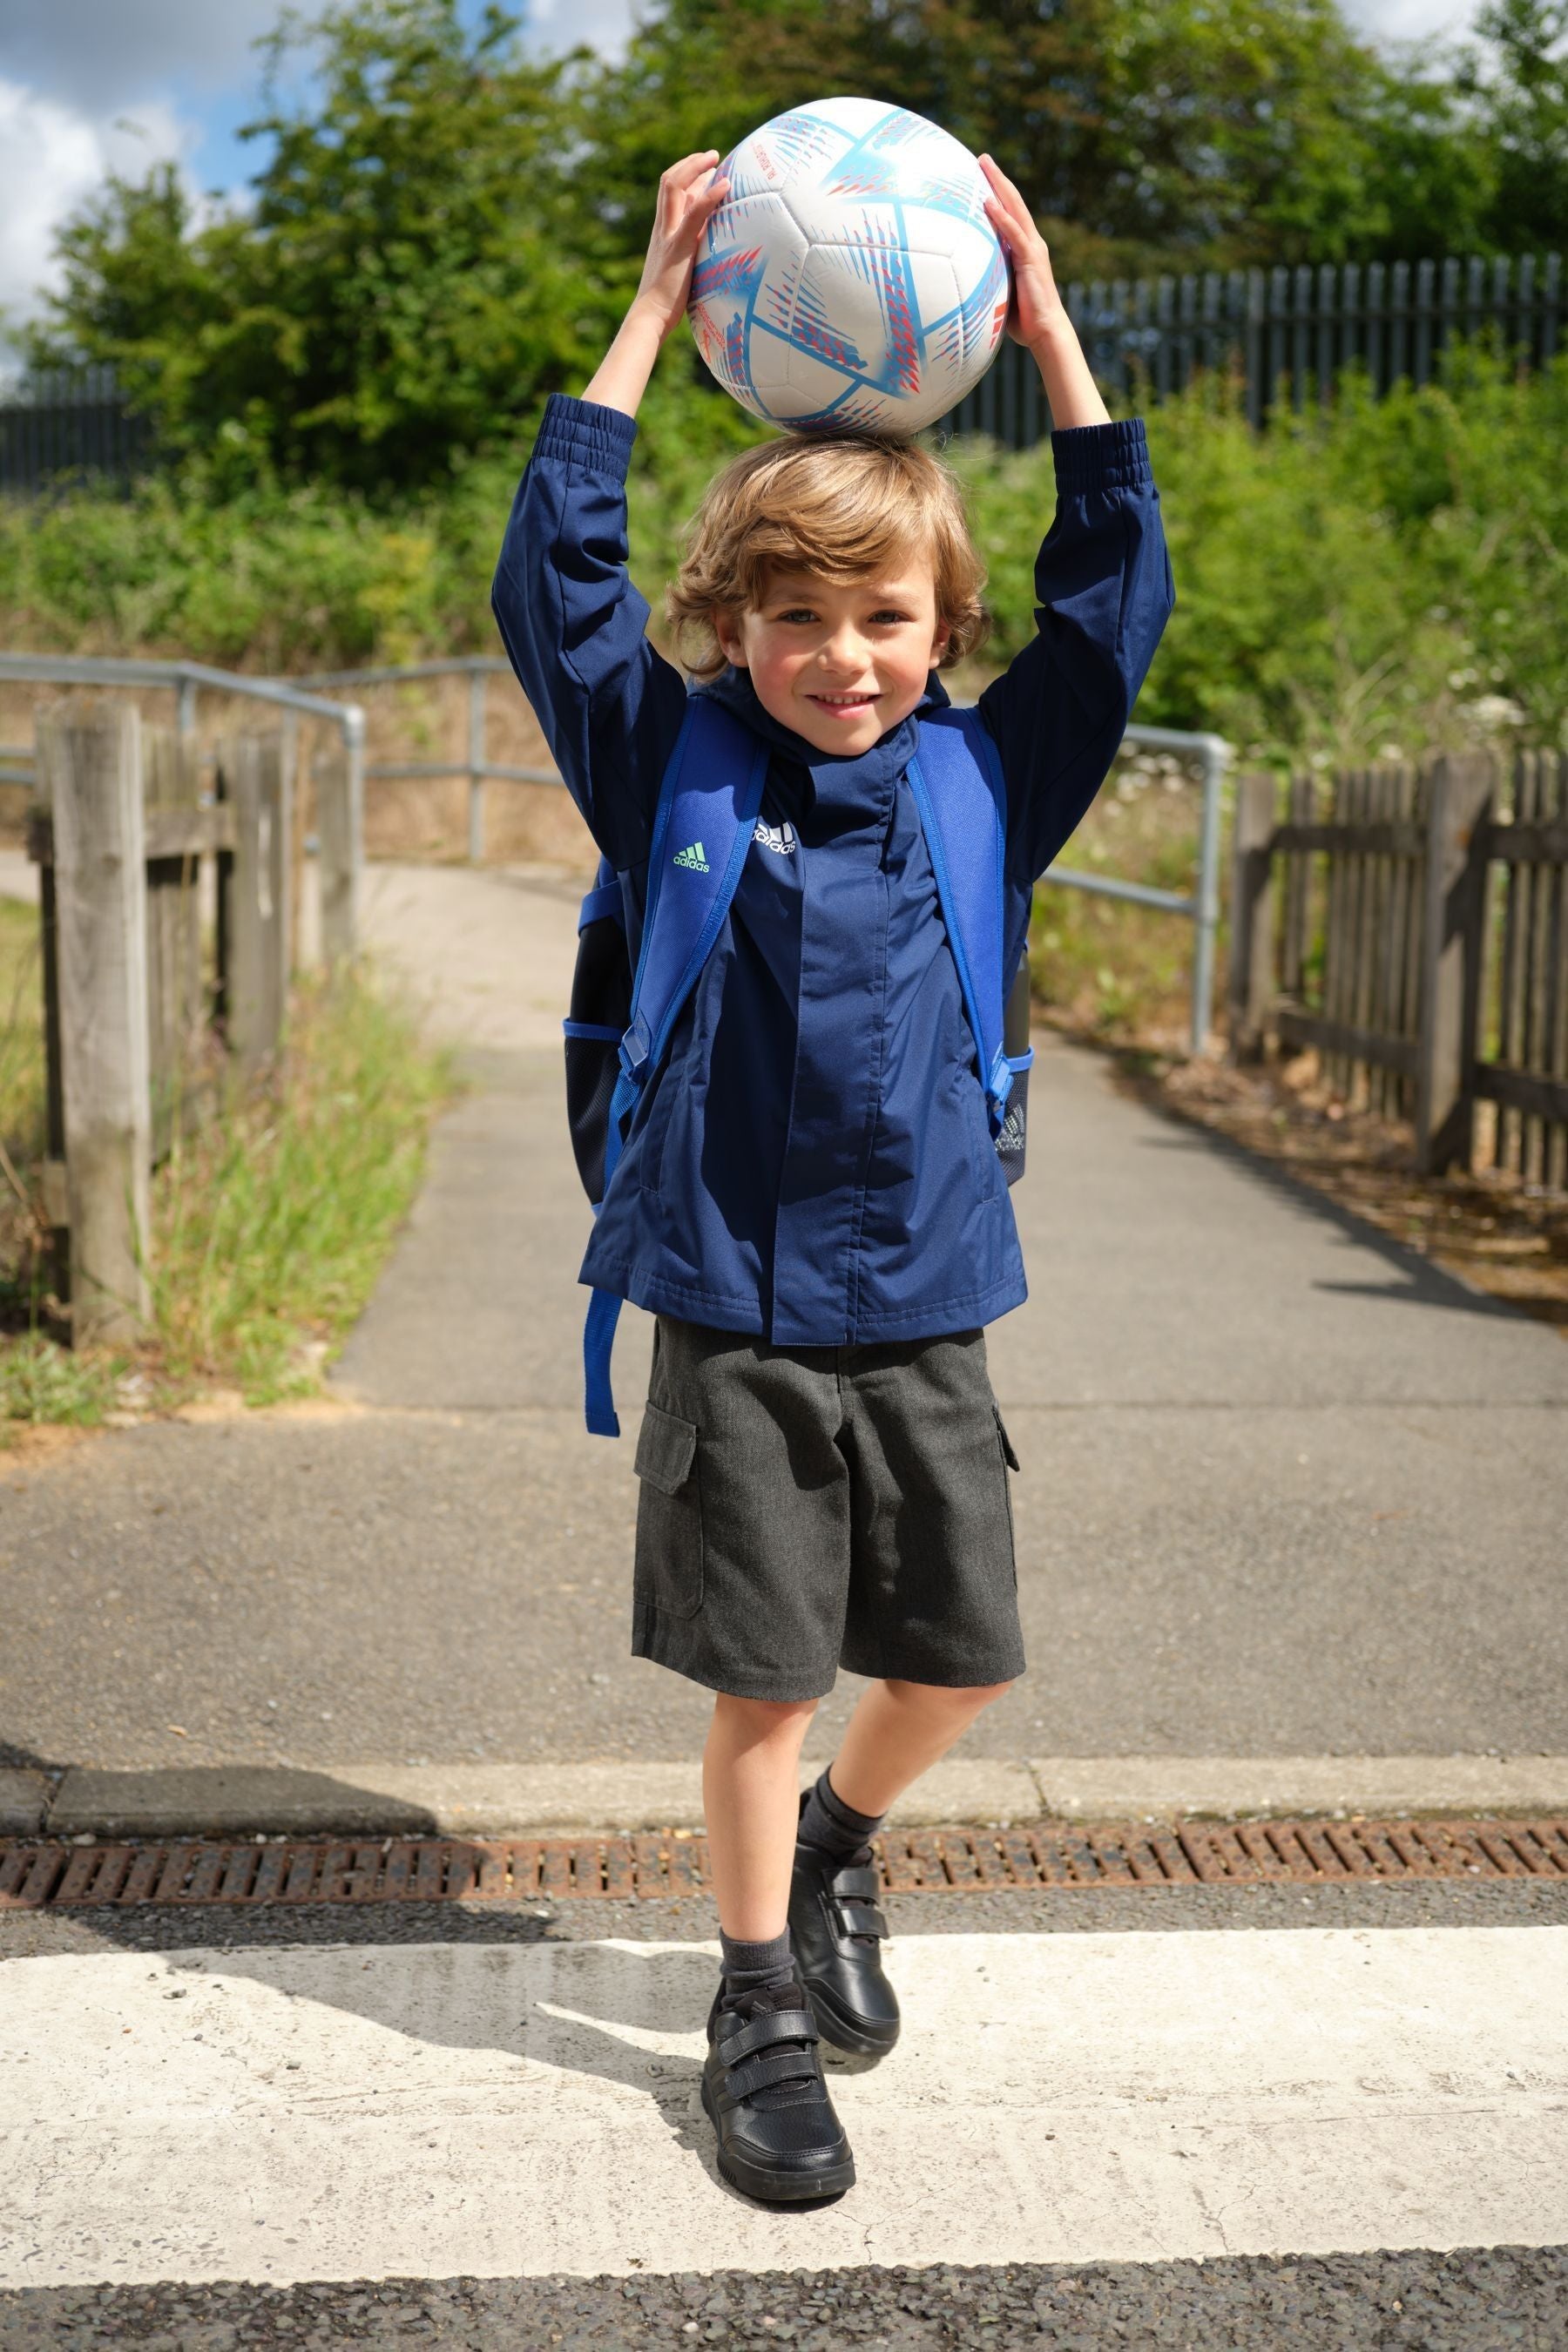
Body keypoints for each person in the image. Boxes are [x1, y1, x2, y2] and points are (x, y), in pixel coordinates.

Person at [492, 147, 1173, 2207]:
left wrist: (1047, 325)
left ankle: (848, 1858)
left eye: (885, 617)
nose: (845, 655)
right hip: (728, 1301)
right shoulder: (668, 766)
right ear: (738, 623)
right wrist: (647, 309)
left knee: (957, 1663)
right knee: (765, 1687)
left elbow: (1116, 594)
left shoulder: (990, 776)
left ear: (940, 624)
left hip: (934, 1299)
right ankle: (755, 2005)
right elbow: (558, 584)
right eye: (798, 618)